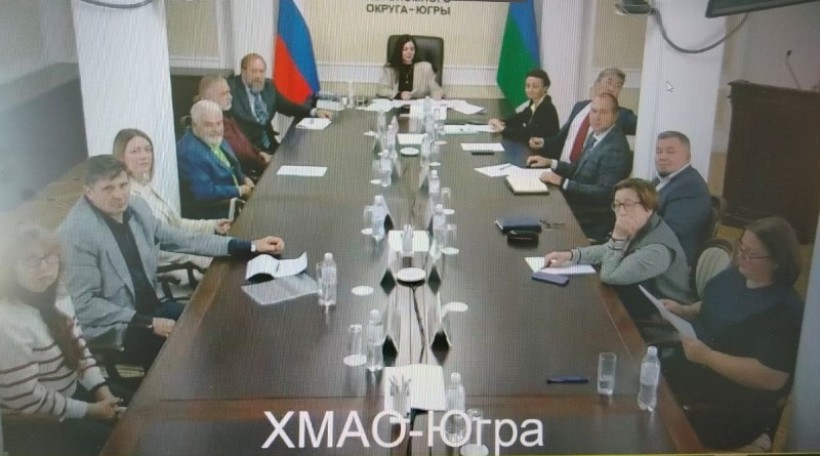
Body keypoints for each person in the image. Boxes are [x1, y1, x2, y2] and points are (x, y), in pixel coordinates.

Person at [57, 155, 285, 369]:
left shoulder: (136, 207)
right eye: (108, 188)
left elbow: (183, 239)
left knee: (217, 326)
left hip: (152, 307)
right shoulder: (76, 234)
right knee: (195, 355)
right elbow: (85, 306)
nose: (119, 195)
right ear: (88, 192)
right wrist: (147, 322)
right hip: (117, 326)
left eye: (123, 185)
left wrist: (250, 246)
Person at [660, 217, 803, 450]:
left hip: (730, 404)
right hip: (694, 366)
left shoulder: (784, 310)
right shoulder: (737, 276)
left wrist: (707, 356)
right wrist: (685, 310)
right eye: (741, 247)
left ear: (777, 261)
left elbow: (771, 378)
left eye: (750, 254)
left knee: (651, 412)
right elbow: (715, 304)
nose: (739, 257)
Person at [0, 225, 130, 456]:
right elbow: (27, 399)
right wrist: (91, 410)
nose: (44, 268)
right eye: (31, 261)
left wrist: (102, 391)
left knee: (140, 408)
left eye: (51, 258)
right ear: (11, 267)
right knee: (122, 443)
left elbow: (80, 350)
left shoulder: (58, 294)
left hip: (70, 394)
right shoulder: (7, 322)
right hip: (37, 421)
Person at [544, 178, 693, 308]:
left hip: (664, 317)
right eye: (617, 204)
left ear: (648, 208)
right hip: (637, 297)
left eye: (628, 204)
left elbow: (609, 276)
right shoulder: (644, 224)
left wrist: (618, 236)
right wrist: (571, 255)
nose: (621, 212)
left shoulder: (657, 250)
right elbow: (608, 249)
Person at [112, 128, 230, 276]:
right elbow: (157, 251)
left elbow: (176, 225)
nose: (144, 156)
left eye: (148, 150)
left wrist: (212, 226)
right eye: (135, 151)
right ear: (121, 158)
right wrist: (200, 257)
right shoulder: (128, 200)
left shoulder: (146, 187)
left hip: (184, 257)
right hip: (170, 271)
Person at [527, 93, 632, 240]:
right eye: (594, 111)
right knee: (532, 203)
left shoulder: (616, 148)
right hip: (577, 204)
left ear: (615, 116)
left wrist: (563, 182)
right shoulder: (597, 134)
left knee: (536, 210)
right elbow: (577, 169)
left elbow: (604, 193)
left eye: (603, 112)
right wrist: (551, 162)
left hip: (590, 217)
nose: (597, 117)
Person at [228, 53, 331, 151]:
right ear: (243, 71)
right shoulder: (230, 91)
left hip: (270, 146)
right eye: (254, 71)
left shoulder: (269, 86)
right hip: (247, 151)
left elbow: (289, 106)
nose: (258, 76)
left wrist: (314, 111)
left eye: (261, 71)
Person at [529, 68, 638, 160]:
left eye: (618, 86)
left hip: (585, 175)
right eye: (609, 82)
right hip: (560, 167)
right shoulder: (579, 107)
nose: (612, 88)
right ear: (597, 84)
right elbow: (561, 138)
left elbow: (643, 126)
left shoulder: (622, 115)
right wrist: (543, 142)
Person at [177, 99, 253, 219]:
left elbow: (231, 166)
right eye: (208, 125)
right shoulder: (190, 152)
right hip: (222, 213)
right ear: (194, 125)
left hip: (241, 199)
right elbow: (204, 192)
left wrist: (244, 178)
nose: (216, 129)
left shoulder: (211, 137)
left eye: (219, 123)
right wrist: (239, 190)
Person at [652, 131, 712, 266]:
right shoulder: (661, 180)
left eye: (670, 152)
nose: (662, 157)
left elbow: (669, 233)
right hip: (650, 250)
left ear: (687, 157)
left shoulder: (690, 187)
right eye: (659, 151)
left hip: (670, 260)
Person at [199, 75, 271, 178]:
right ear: (208, 98)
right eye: (224, 94)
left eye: (229, 92)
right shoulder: (213, 124)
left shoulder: (224, 117)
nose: (230, 97)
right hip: (244, 177)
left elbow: (244, 143)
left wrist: (260, 153)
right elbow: (242, 154)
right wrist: (266, 165)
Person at [487, 69, 559, 143]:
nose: (530, 90)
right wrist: (502, 121)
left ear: (545, 88)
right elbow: (521, 117)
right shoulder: (535, 102)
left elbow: (528, 133)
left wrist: (503, 129)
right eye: (528, 86)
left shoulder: (547, 109)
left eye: (535, 87)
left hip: (542, 149)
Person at [376, 34, 444, 100]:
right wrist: (399, 95)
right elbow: (381, 89)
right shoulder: (390, 68)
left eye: (412, 49)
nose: (409, 52)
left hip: (418, 106)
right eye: (405, 49)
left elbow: (436, 89)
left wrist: (437, 95)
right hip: (396, 106)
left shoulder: (425, 68)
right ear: (399, 51)